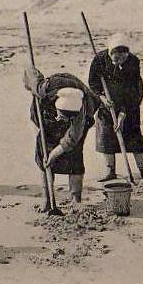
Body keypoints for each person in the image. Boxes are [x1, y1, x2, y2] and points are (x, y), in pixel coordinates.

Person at [23, 66, 100, 214]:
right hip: (46, 117)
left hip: (81, 113)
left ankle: (76, 200)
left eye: (69, 118)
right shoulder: (45, 89)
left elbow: (72, 138)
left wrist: (54, 154)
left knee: (74, 157)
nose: (64, 120)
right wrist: (31, 86)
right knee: (43, 157)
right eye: (63, 116)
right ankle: (47, 199)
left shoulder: (82, 110)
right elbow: (29, 72)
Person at [88, 33, 143, 181]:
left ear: (127, 53)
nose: (119, 61)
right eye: (116, 58)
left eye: (123, 58)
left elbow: (132, 90)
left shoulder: (133, 62)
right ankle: (110, 171)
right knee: (106, 137)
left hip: (130, 102)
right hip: (106, 104)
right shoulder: (99, 60)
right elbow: (93, 83)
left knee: (134, 137)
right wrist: (102, 98)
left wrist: (123, 113)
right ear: (110, 53)